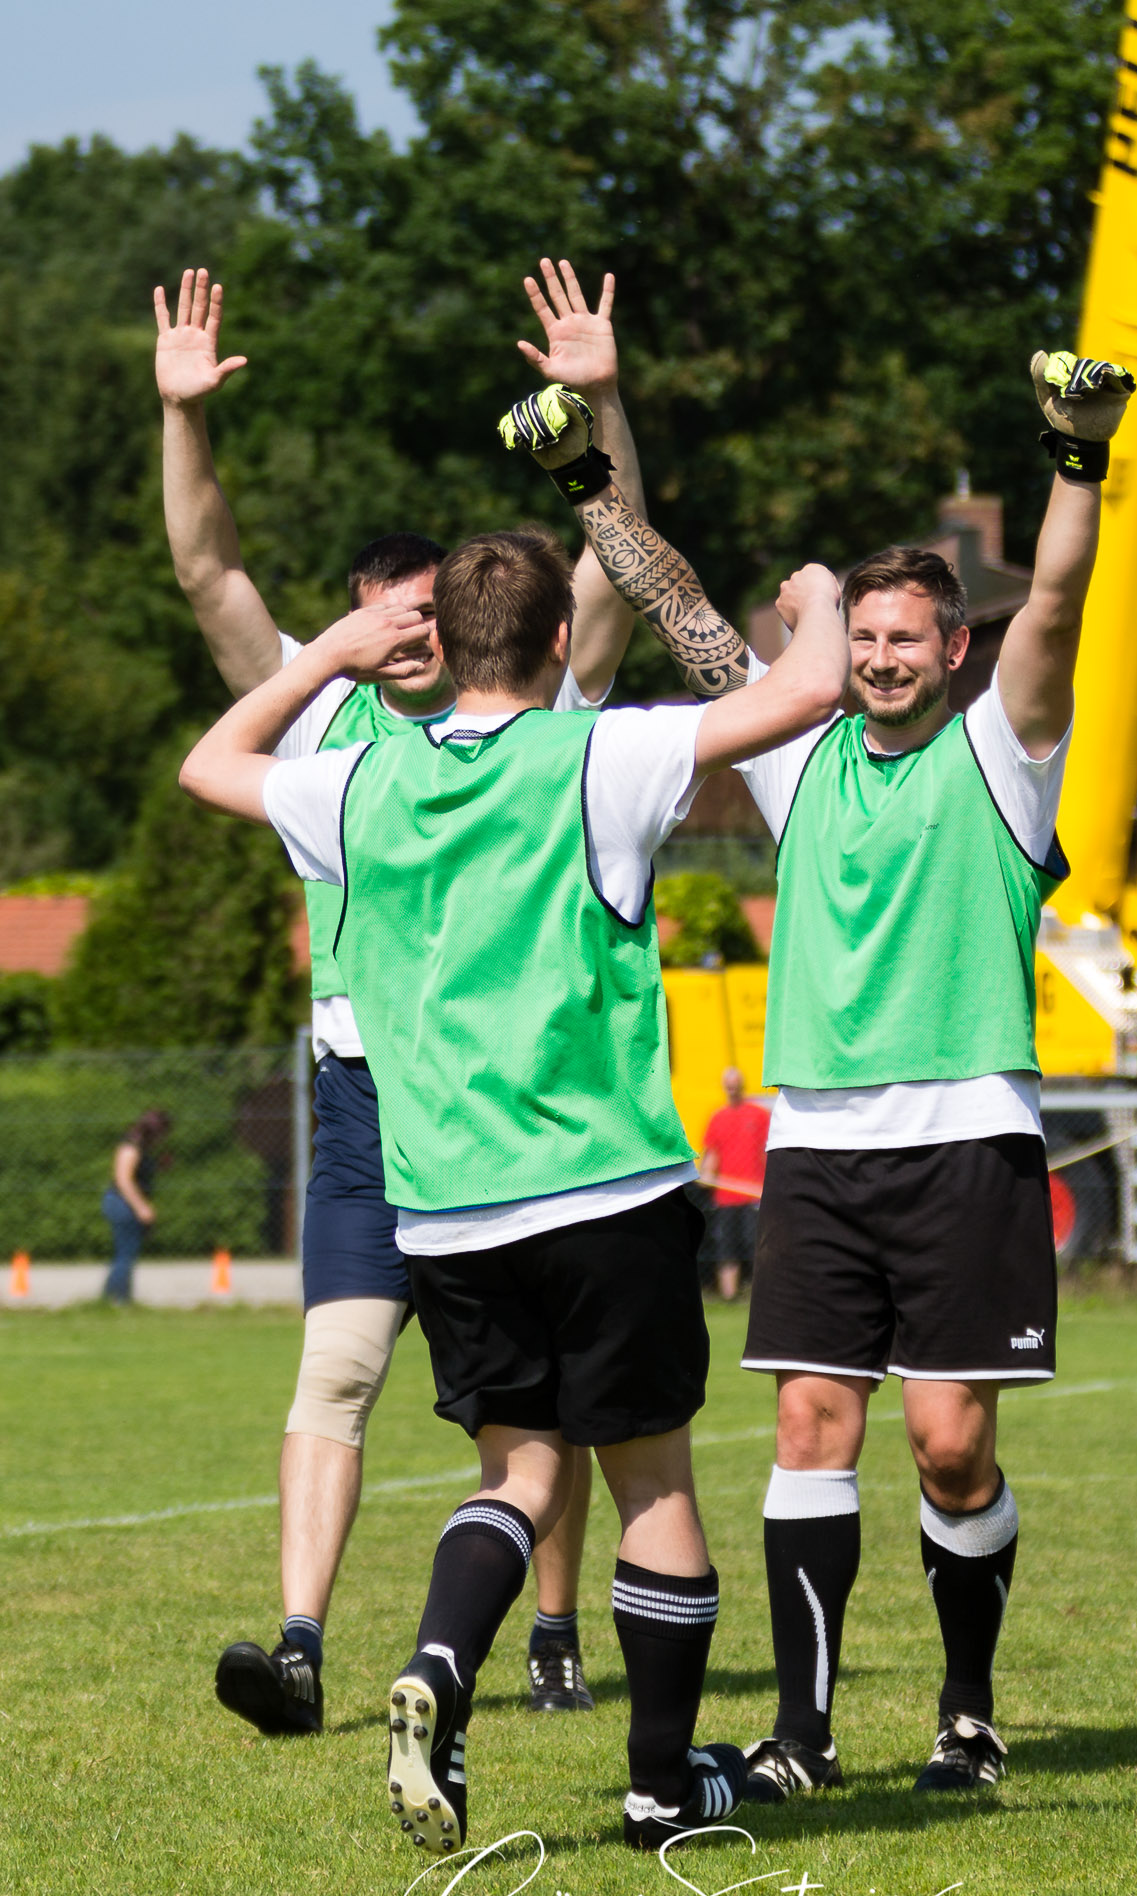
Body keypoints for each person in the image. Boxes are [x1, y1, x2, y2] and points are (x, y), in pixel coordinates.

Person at [178, 467, 850, 1848]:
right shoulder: (598, 752)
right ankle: (664, 1784)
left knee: (516, 1475)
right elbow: (806, 695)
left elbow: (206, 766)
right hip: (606, 1188)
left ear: (442, 645)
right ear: (556, 647)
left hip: (446, 1207)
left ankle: (436, 1665)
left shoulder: (356, 780)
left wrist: (342, 656)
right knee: (650, 1479)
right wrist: (822, 604)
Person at [533, 350, 1134, 1797]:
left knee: (944, 1450)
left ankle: (967, 1711)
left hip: (963, 1138)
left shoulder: (1003, 752)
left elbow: (1054, 602)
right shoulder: (800, 755)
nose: (878, 660)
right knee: (809, 1426)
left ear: (952, 652)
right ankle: (802, 1737)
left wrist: (1074, 453)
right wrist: (583, 484)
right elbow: (676, 604)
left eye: (906, 641)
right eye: (861, 638)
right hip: (815, 1145)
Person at [155, 262, 643, 1726]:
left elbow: (616, 565)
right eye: (377, 620)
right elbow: (208, 574)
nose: (403, 637)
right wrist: (182, 421)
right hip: (367, 1089)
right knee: (343, 1364)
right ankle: (298, 1645)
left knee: (531, 1402)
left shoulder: (539, 701)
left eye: (423, 613)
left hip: (511, 1081)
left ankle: (553, 1629)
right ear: (352, 626)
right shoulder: (325, 716)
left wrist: (604, 400)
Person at [699, 1069, 769, 1300]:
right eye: (728, 1084)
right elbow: (711, 1155)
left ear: (742, 1085)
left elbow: (768, 1151)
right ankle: (729, 1297)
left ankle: (762, 1295)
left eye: (736, 1083)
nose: (732, 1088)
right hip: (726, 1198)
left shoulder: (759, 1115)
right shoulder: (718, 1118)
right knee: (726, 1249)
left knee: (758, 1248)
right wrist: (707, 1173)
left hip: (754, 1196)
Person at [101, 1110, 173, 1304]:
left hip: (126, 1202)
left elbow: (138, 1173)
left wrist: (158, 1166)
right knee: (126, 1253)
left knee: (127, 1252)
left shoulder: (141, 1147)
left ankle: (114, 1297)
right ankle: (117, 1299)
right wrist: (141, 1207)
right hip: (122, 1202)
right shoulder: (130, 1146)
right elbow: (123, 1180)